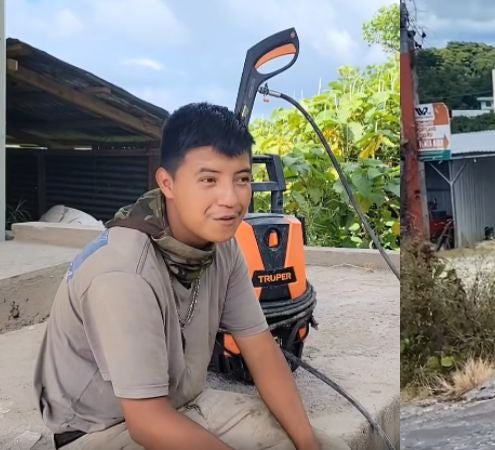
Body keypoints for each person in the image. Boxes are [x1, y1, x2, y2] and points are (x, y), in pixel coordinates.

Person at [33, 102, 349, 450]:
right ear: (167, 183)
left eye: (241, 179)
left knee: (319, 442)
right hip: (102, 429)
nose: (230, 198)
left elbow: (261, 350)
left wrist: (308, 445)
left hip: (182, 403)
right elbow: (147, 422)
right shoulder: (124, 273)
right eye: (209, 180)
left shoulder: (221, 245)